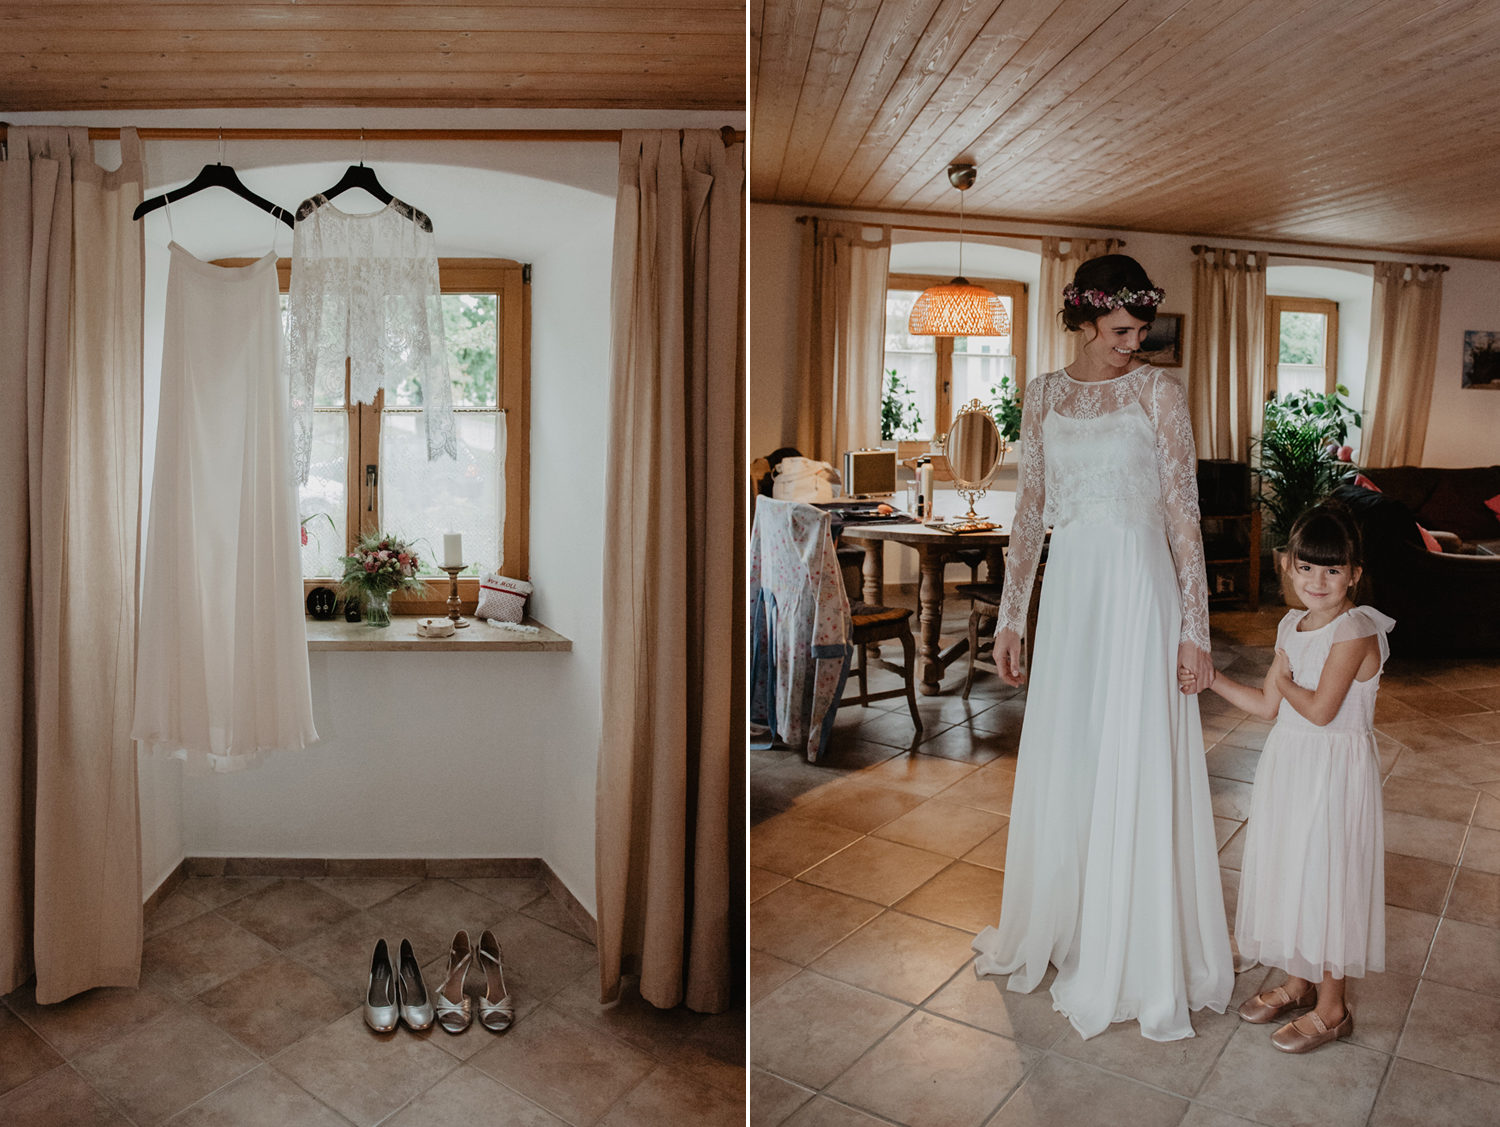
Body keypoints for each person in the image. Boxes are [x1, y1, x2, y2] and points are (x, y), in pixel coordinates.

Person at [971, 254, 1233, 1041]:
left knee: (1132, 752)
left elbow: (1184, 516)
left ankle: (1134, 942)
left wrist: (1196, 628)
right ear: (1083, 321)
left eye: (1141, 327)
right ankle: (1070, 919)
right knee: (1072, 752)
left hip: (1139, 590)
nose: (1134, 341)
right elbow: (1029, 512)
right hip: (1076, 588)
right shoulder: (1045, 392)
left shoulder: (1159, 391)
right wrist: (1011, 614)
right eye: (1120, 329)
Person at [1180, 504, 1391, 1053]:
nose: (1317, 582)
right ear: (1287, 567)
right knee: (1293, 870)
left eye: (1332, 570)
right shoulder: (1288, 625)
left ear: (1355, 574)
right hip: (1290, 766)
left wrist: (1284, 677)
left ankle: (1333, 1006)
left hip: (1334, 770)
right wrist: (1212, 679)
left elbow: (1319, 710)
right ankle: (1298, 984)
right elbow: (1268, 706)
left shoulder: (1356, 629)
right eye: (1306, 568)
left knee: (1328, 877)